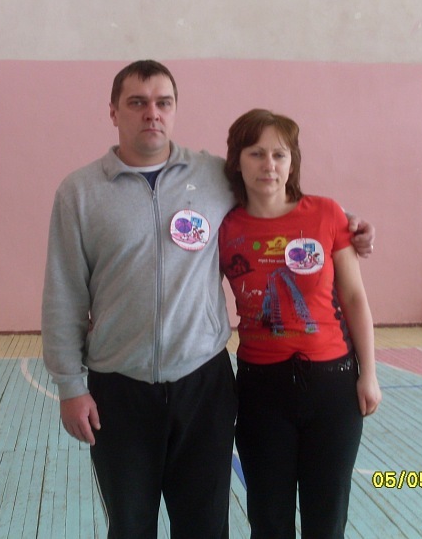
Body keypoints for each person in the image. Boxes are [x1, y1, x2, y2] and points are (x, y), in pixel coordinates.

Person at [41, 61, 375, 539]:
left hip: (203, 385)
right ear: (113, 112)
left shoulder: (213, 175)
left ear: (175, 110)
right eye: (137, 102)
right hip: (120, 388)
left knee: (204, 526)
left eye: (163, 102)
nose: (151, 113)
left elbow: (278, 198)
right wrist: (70, 386)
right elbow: (64, 293)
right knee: (130, 526)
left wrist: (350, 223)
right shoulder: (79, 193)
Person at [218, 109, 382, 539]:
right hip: (261, 392)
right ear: (237, 160)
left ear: (292, 162)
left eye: (279, 154)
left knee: (326, 519)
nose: (269, 165)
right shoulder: (225, 226)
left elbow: (354, 298)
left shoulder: (326, 214)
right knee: (269, 520)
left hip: (333, 389)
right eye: (256, 153)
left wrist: (369, 374)